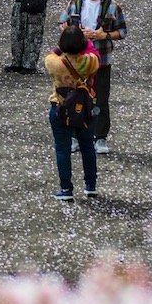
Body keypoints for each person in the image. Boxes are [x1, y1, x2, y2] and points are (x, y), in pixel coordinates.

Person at [57, 0, 128, 154]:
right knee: (73, 97)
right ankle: (74, 136)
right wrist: (72, 32)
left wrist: (103, 35)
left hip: (101, 61)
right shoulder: (74, 4)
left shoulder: (112, 6)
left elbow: (122, 32)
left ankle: (100, 138)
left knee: (101, 100)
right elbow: (62, 23)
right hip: (77, 61)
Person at [45, 25, 99, 202]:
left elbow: (53, 53)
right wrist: (86, 41)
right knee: (88, 147)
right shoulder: (89, 62)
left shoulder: (54, 62)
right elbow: (95, 55)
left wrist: (61, 45)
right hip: (84, 110)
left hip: (60, 108)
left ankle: (66, 188)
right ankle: (90, 186)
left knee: (62, 149)